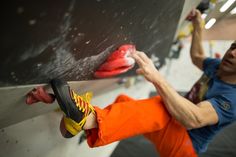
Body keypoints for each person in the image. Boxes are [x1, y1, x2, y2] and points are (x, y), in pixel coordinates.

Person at [50, 9, 236, 157]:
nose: (233, 53)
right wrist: (198, 26)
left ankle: (87, 120)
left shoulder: (233, 98)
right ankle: (85, 127)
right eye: (234, 47)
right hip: (176, 126)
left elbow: (194, 119)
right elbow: (197, 56)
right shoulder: (219, 67)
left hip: (185, 146)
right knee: (123, 102)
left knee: (161, 107)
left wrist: (157, 78)